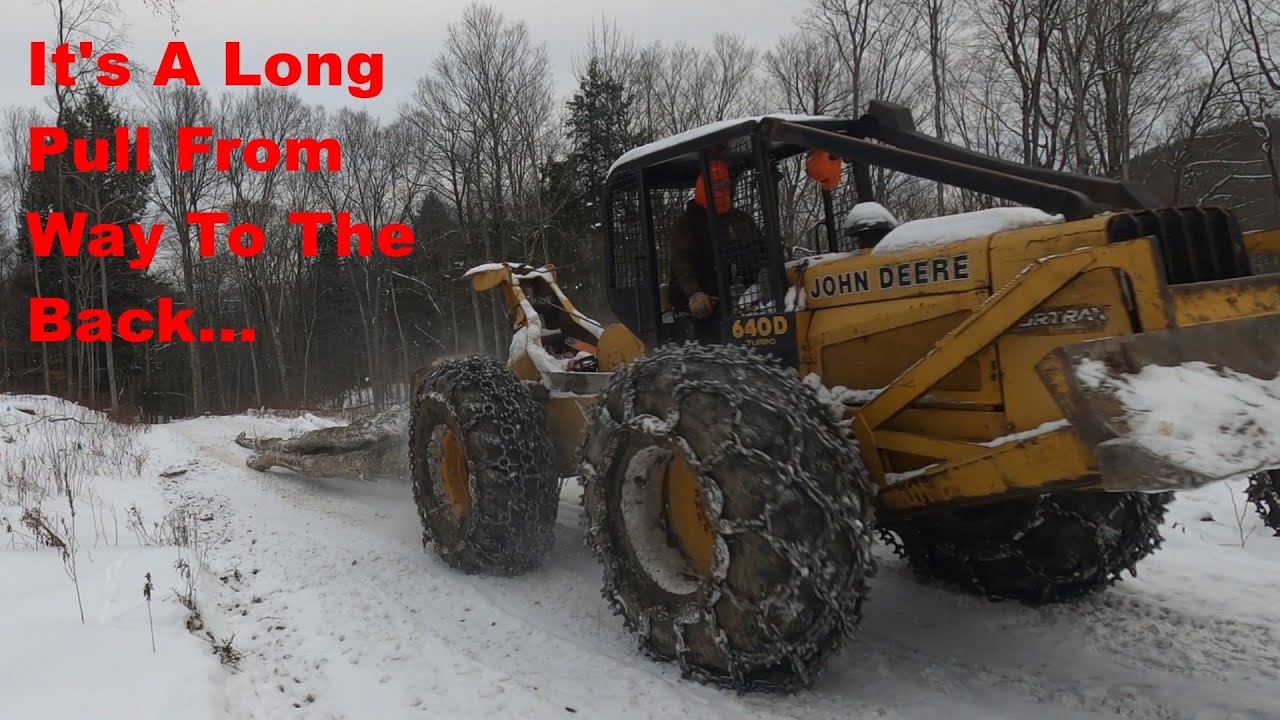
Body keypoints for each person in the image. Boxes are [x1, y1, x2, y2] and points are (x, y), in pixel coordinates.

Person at [667, 159, 767, 341]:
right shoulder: (687, 224)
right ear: (703, 188)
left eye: (725, 184)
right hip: (705, 307)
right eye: (717, 185)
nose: (723, 190)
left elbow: (760, 248)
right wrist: (695, 293)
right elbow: (682, 261)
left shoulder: (739, 220)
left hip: (745, 297)